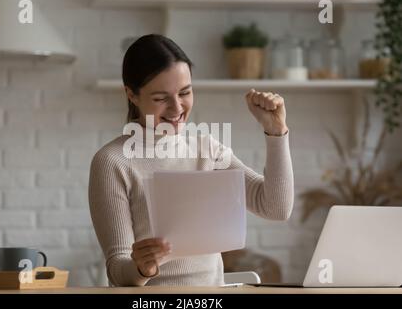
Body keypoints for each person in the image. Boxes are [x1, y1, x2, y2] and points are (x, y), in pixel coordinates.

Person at [88, 34, 294, 287]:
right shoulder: (112, 162)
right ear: (132, 94)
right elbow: (117, 269)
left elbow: (276, 207)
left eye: (185, 92)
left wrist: (276, 132)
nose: (177, 109)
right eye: (161, 98)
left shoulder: (207, 149)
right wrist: (141, 268)